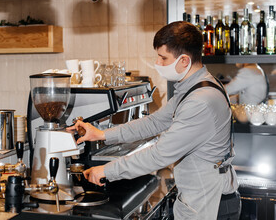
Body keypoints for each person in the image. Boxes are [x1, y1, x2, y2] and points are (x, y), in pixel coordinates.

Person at [67, 21, 240, 219]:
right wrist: (101, 134)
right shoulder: (196, 87)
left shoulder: (200, 101)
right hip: (203, 198)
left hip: (209, 205)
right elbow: (154, 122)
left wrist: (107, 170)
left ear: (184, 61)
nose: (158, 63)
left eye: (163, 58)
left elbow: (159, 155)